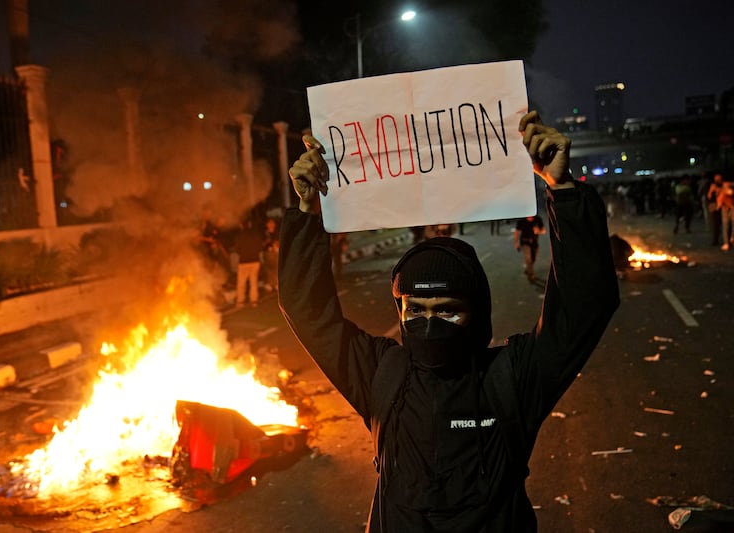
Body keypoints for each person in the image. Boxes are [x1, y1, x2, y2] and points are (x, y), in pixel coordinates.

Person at [278, 110, 619, 532]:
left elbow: (584, 305)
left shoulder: (513, 378)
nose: (430, 324)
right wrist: (307, 210)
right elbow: (307, 309)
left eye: (447, 310)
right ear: (399, 312)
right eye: (415, 311)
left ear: (476, 312)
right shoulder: (382, 375)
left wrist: (563, 191)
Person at [233, 217, 263, 306]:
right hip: (255, 261)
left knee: (241, 282)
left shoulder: (239, 236)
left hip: (244, 262)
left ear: (241, 225)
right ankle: (254, 300)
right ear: (249, 224)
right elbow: (260, 247)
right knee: (253, 282)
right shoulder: (255, 235)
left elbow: (237, 249)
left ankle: (240, 301)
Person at [513, 214, 546, 283]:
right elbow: (517, 232)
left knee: (533, 259)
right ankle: (531, 275)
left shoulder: (538, 219)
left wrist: (538, 231)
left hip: (534, 242)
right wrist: (516, 243)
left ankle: (528, 269)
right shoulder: (521, 221)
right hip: (525, 242)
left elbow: (543, 231)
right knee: (529, 258)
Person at [707, 173, 725, 246]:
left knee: (725, 224)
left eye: (719, 178)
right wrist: (712, 191)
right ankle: (715, 240)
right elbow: (709, 197)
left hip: (724, 207)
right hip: (714, 207)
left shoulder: (725, 185)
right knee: (715, 224)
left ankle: (727, 240)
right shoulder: (712, 186)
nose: (717, 180)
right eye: (716, 178)